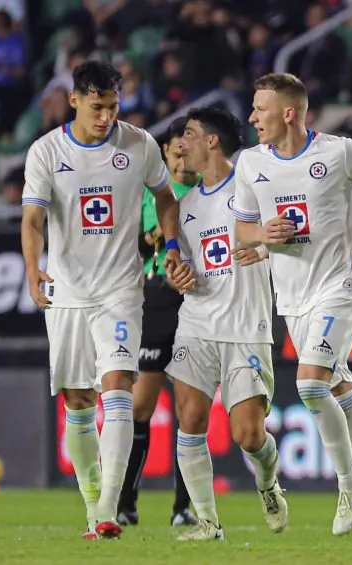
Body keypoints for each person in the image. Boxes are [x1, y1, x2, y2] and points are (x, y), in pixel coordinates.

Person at [231, 72, 352, 543]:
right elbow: (242, 229)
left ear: (288, 112)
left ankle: (349, 487)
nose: (252, 117)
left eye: (260, 108)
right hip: (291, 296)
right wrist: (261, 238)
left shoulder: (339, 151)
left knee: (310, 386)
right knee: (343, 397)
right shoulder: (250, 164)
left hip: (342, 283)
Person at [21, 60, 184, 540]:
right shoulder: (47, 152)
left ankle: (109, 510)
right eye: (97, 107)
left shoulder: (139, 144)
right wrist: (33, 269)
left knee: (117, 388)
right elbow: (32, 220)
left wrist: (171, 245)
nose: (106, 117)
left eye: (113, 107)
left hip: (120, 288)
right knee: (77, 399)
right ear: (74, 100)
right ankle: (94, 502)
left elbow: (167, 197)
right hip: (69, 292)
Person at [164, 107, 286, 541]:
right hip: (197, 322)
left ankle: (268, 482)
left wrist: (273, 243)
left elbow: (290, 230)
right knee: (190, 416)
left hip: (246, 327)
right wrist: (178, 274)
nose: (182, 144)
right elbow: (183, 267)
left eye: (190, 134)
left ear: (213, 140)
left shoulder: (253, 185)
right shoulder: (184, 207)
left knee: (248, 435)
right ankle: (207, 522)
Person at [116, 117, 199, 528]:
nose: (182, 151)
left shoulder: (209, 193)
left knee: (189, 410)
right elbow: (122, 244)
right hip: (155, 302)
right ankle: (126, 503)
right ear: (164, 153)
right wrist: (145, 240)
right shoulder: (149, 196)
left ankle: (184, 507)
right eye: (175, 146)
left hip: (196, 304)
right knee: (140, 407)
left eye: (189, 143)